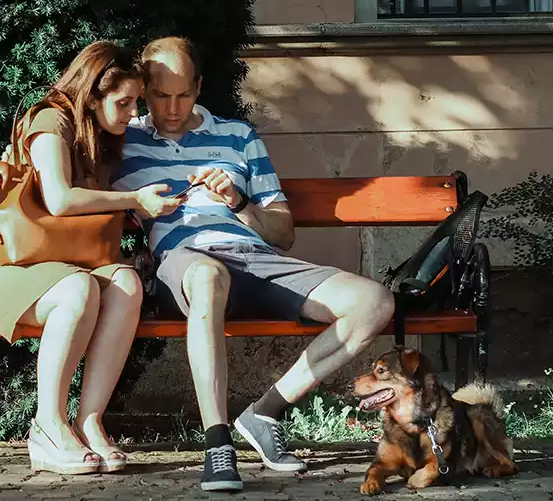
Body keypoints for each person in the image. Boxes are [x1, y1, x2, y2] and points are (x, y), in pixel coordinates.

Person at [111, 37, 396, 491]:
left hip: (255, 259)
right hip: (184, 266)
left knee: (374, 302)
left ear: (200, 86)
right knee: (205, 275)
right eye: (161, 95)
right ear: (144, 91)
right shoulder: (124, 140)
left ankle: (264, 412)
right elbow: (70, 181)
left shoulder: (239, 137)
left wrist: (238, 200)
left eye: (184, 94)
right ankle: (217, 443)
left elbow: (283, 234)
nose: (172, 107)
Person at [0, 41, 185, 475]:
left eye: (136, 101)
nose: (132, 112)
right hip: (12, 269)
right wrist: (134, 199)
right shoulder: (51, 121)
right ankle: (47, 427)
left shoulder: (105, 135)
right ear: (92, 95)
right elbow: (60, 200)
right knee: (78, 287)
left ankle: (90, 422)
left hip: (70, 268)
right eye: (123, 102)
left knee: (125, 283)